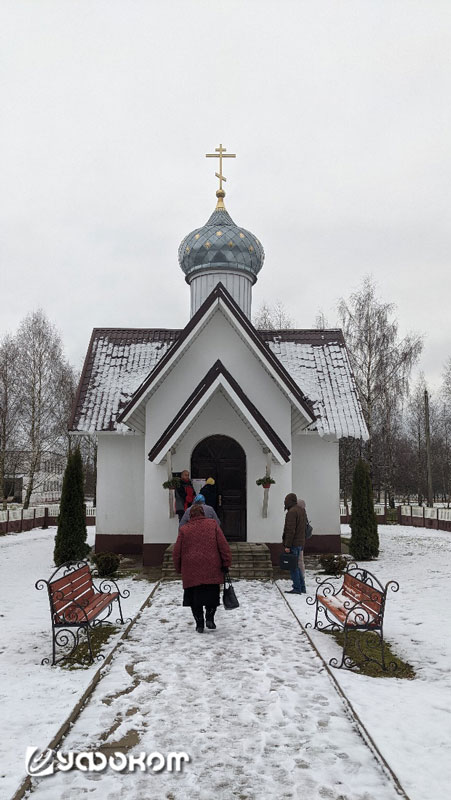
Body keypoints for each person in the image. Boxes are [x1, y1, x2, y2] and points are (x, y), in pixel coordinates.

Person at [173, 504, 232, 633]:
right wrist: (226, 562)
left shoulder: (184, 529)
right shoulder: (213, 525)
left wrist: (178, 567)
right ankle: (210, 617)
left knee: (194, 598)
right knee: (212, 595)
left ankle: (199, 623)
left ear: (190, 515)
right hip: (212, 568)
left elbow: (177, 552)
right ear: (203, 514)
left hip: (191, 570)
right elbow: (223, 545)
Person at [282, 492, 306, 594]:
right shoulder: (301, 510)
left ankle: (297, 588)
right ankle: (302, 587)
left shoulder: (291, 512)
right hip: (300, 542)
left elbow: (290, 530)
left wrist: (287, 545)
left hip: (293, 543)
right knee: (297, 566)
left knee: (293, 567)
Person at [297, 498, 307, 578]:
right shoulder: (304, 513)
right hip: (302, 540)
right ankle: (301, 574)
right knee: (300, 559)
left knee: (299, 559)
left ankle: (301, 575)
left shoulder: (299, 514)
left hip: (298, 540)